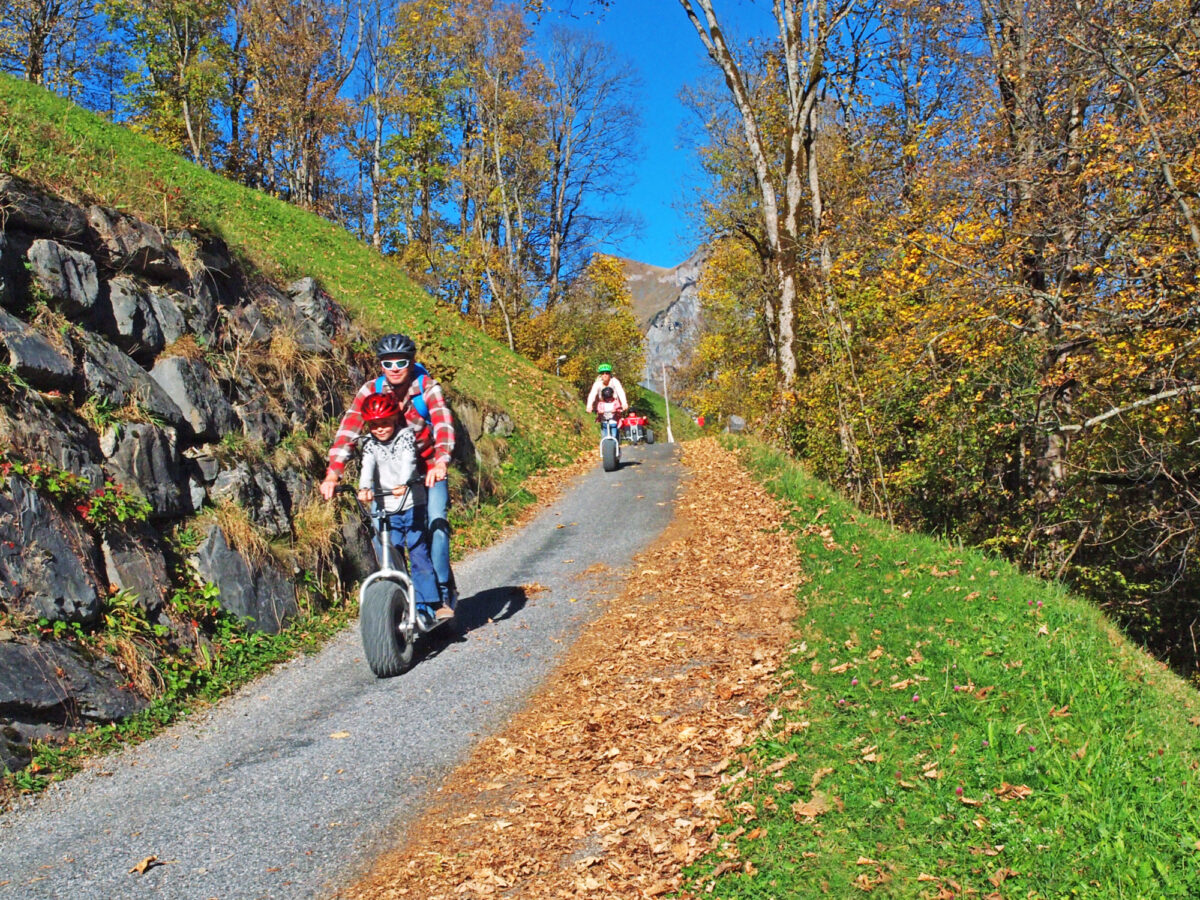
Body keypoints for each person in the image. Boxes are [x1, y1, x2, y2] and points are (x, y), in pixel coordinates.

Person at [320, 333, 457, 607]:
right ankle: (404, 598)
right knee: (384, 537)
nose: (394, 369)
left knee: (436, 527)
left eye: (401, 362)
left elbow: (443, 425)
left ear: (412, 362)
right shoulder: (370, 391)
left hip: (427, 471)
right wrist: (333, 473)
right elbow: (349, 431)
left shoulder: (427, 388)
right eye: (388, 363)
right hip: (387, 478)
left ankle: (442, 594)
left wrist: (441, 461)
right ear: (381, 365)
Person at [356, 392, 450, 621]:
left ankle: (433, 602)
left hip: (411, 503)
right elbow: (367, 466)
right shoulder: (369, 444)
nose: (380, 429)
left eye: (385, 423)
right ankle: (400, 602)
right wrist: (364, 488)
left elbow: (409, 460)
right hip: (387, 508)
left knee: (418, 552)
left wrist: (403, 483)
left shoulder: (405, 437)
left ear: (395, 420)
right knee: (392, 552)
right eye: (374, 425)